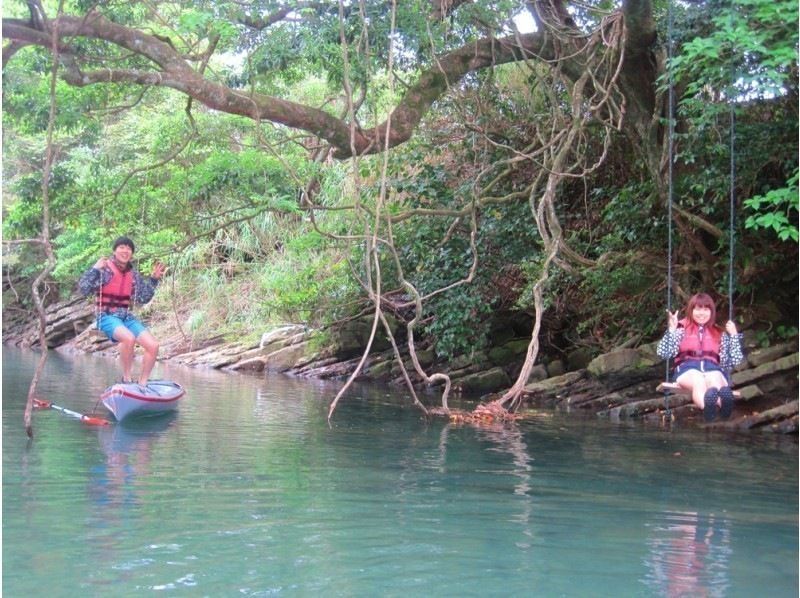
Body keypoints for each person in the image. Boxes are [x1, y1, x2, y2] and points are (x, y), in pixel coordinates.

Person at [79, 236, 166, 386]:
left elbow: (143, 298)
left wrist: (153, 279)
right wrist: (94, 269)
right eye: (122, 247)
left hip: (126, 317)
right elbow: (84, 289)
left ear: (131, 253)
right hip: (106, 316)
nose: (125, 251)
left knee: (153, 346)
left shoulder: (133, 274)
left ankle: (142, 384)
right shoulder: (104, 269)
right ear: (114, 250)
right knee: (129, 338)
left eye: (129, 248)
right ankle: (126, 379)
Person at [656, 292, 744, 422]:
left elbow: (733, 361)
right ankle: (708, 407)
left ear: (711, 311)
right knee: (698, 380)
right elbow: (664, 353)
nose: (701, 313)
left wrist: (734, 336)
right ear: (691, 310)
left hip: (713, 369)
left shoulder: (719, 332)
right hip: (687, 370)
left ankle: (724, 405)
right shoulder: (681, 328)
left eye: (705, 309)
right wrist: (672, 330)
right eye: (698, 309)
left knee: (715, 379)